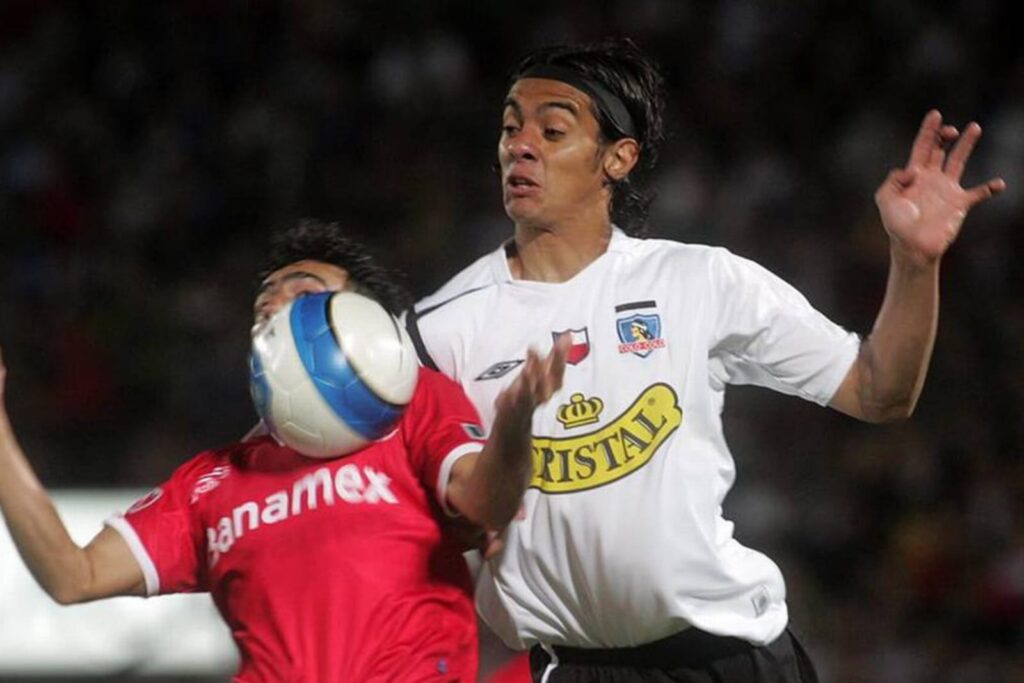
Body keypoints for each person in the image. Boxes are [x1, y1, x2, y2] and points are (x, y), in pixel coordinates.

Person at [406, 39, 1006, 682]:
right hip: (575, 667)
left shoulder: (699, 280)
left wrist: (915, 264)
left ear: (619, 157)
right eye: (509, 127)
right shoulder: (437, 329)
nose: (520, 145)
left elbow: (879, 390)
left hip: (729, 655)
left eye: (552, 129)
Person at [0, 219, 568, 682]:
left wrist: (514, 424)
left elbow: (483, 504)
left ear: (361, 320)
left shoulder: (411, 410)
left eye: (303, 290)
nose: (274, 304)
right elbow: (72, 575)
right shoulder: (210, 481)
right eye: (263, 300)